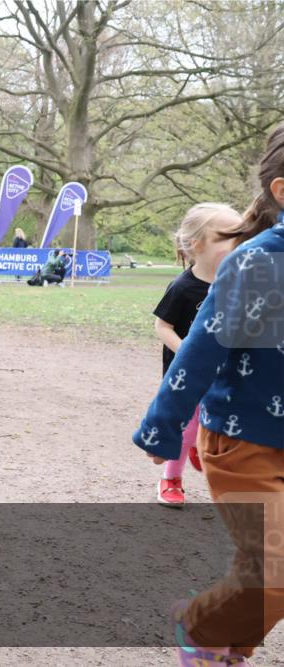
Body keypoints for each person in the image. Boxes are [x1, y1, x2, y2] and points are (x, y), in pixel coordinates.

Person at [133, 123, 284, 667]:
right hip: (244, 444)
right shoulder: (254, 261)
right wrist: (163, 424)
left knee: (266, 569)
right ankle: (200, 626)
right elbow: (200, 349)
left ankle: (225, 644)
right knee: (274, 565)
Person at [151, 203, 242, 507]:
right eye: (229, 237)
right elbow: (162, 326)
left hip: (224, 373)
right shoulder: (182, 288)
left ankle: (202, 445)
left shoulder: (238, 284)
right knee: (186, 426)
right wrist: (188, 352)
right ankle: (171, 478)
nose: (239, 245)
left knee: (219, 423)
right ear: (196, 245)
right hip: (187, 375)